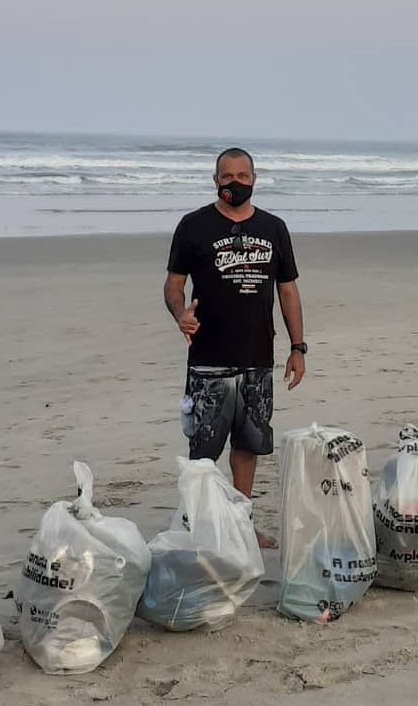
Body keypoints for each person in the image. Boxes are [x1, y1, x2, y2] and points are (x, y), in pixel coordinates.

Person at [164, 147, 305, 548]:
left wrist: (298, 347)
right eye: (227, 177)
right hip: (208, 361)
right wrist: (180, 315)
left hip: (257, 359)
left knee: (248, 447)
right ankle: (202, 525)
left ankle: (241, 522)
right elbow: (174, 286)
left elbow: (288, 290)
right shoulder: (193, 226)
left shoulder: (274, 228)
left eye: (243, 176)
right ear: (215, 180)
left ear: (255, 179)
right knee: (203, 451)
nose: (235, 183)